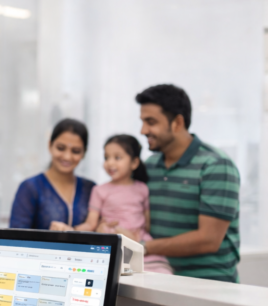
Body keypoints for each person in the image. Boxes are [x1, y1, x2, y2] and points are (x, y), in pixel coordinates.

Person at [133, 84, 240, 283]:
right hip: (160, 281)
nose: (143, 130)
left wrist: (143, 247)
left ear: (178, 122)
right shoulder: (149, 166)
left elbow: (209, 240)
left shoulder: (216, 165)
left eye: (151, 122)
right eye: (142, 121)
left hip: (210, 287)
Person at [52, 135, 173, 274]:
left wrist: (135, 237)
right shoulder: (99, 191)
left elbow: (147, 225)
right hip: (113, 241)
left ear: (134, 163)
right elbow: (91, 224)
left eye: (117, 158)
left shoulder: (142, 189)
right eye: (106, 157)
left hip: (138, 243)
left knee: (161, 273)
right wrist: (71, 230)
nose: (110, 163)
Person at [10, 118, 96, 230]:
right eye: (60, 148)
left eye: (75, 151)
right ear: (50, 145)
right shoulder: (30, 188)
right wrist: (50, 238)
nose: (67, 156)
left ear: (84, 153)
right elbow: (16, 238)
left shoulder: (91, 189)